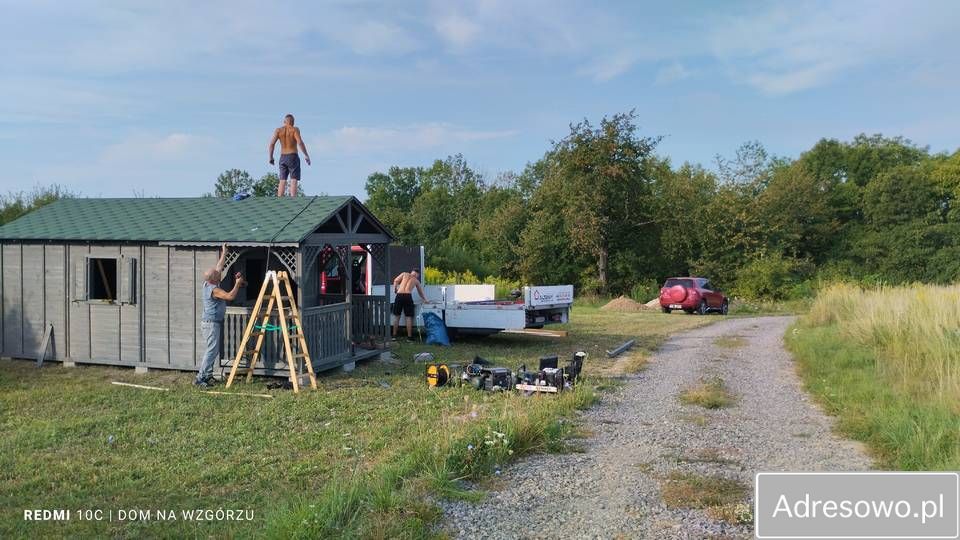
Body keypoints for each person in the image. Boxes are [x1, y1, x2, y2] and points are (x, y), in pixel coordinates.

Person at [196, 243, 247, 388]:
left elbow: (218, 267)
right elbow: (230, 296)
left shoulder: (210, 282)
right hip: (211, 324)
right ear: (214, 278)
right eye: (218, 274)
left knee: (212, 350)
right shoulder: (214, 290)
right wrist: (237, 283)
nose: (220, 273)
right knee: (211, 351)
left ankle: (207, 375)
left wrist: (224, 252)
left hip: (211, 323)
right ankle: (201, 378)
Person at [268, 113, 311, 197]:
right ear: (293, 122)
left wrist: (270, 157)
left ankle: (279, 198)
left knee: (282, 180)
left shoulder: (278, 130)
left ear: (284, 121)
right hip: (292, 156)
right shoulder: (294, 129)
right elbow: (300, 142)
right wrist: (306, 155)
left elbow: (272, 144)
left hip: (282, 157)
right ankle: (293, 199)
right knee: (293, 179)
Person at [391, 270, 428, 341]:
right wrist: (425, 299)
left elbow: (395, 280)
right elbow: (420, 292)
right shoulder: (416, 281)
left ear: (412, 272)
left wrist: (395, 289)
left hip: (399, 295)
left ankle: (394, 336)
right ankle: (409, 337)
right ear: (417, 274)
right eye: (418, 275)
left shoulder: (404, 274)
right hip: (408, 296)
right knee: (408, 317)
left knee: (397, 316)